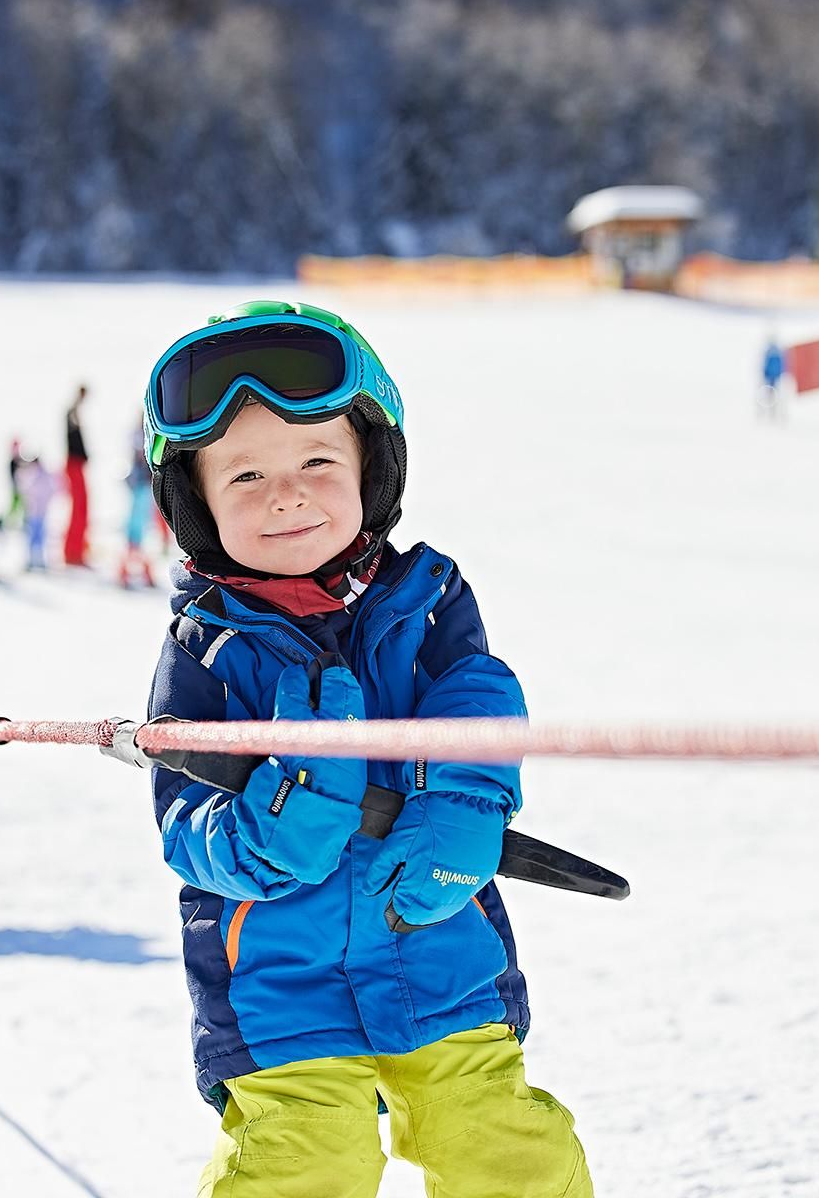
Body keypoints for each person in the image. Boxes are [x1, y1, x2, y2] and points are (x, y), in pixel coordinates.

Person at [141, 301, 592, 1196]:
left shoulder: (426, 601)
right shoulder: (203, 650)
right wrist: (273, 830)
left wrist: (466, 804)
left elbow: (476, 699)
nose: (287, 493)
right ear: (195, 503)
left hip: (436, 944)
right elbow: (184, 826)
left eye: (317, 459)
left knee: (501, 1148)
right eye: (244, 477)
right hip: (277, 986)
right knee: (301, 1164)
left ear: (370, 470)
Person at [118, 424, 157, 589]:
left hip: (143, 487)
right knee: (136, 534)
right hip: (141, 486)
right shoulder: (140, 438)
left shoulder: (141, 438)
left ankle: (137, 573)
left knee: (139, 534)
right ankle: (127, 573)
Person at [62, 384, 91, 566]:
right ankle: (72, 552)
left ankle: (78, 549)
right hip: (74, 465)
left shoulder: (74, 412)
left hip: (76, 465)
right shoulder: (72, 412)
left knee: (82, 508)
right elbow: (70, 414)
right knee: (79, 509)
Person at [15, 449, 57, 572]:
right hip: (34, 512)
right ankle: (33, 560)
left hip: (38, 512)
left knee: (39, 537)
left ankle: (38, 560)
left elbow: (48, 491)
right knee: (33, 537)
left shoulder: (38, 475)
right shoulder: (31, 474)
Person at [758, 338, 788, 421]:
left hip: (772, 377)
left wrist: (764, 373)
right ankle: (770, 412)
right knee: (773, 394)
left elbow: (766, 365)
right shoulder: (778, 353)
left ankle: (769, 412)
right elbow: (782, 365)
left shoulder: (770, 352)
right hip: (774, 377)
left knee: (771, 394)